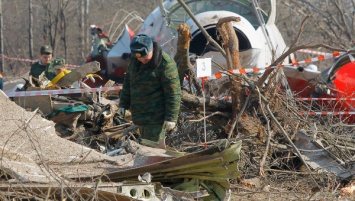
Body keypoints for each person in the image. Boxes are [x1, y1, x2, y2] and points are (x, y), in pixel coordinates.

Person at [118, 34, 181, 144]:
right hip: (140, 115)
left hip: (157, 118)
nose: (142, 60)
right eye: (139, 57)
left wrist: (171, 117)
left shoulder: (166, 65)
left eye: (145, 57)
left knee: (152, 149)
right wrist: (123, 104)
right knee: (144, 146)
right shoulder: (135, 60)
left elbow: (173, 93)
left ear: (151, 49)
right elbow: (128, 82)